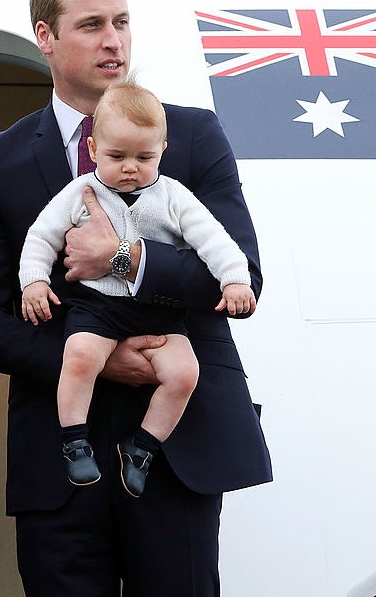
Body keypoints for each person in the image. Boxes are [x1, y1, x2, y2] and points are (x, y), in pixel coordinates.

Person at [0, 0, 272, 595]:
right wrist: (99, 360)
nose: (115, 40)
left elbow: (243, 277)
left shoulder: (191, 136)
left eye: (123, 22)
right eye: (93, 24)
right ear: (44, 37)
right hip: (59, 455)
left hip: (177, 450)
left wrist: (125, 261)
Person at [19, 79, 257, 499]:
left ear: (162, 151)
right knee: (79, 356)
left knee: (185, 374)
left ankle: (143, 445)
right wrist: (34, 281)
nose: (130, 167)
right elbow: (41, 236)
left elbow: (215, 240)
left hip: (161, 313)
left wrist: (235, 279)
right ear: (92, 151)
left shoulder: (174, 197)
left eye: (144, 157)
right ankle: (75, 439)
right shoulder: (80, 191)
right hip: (98, 306)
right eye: (116, 156)